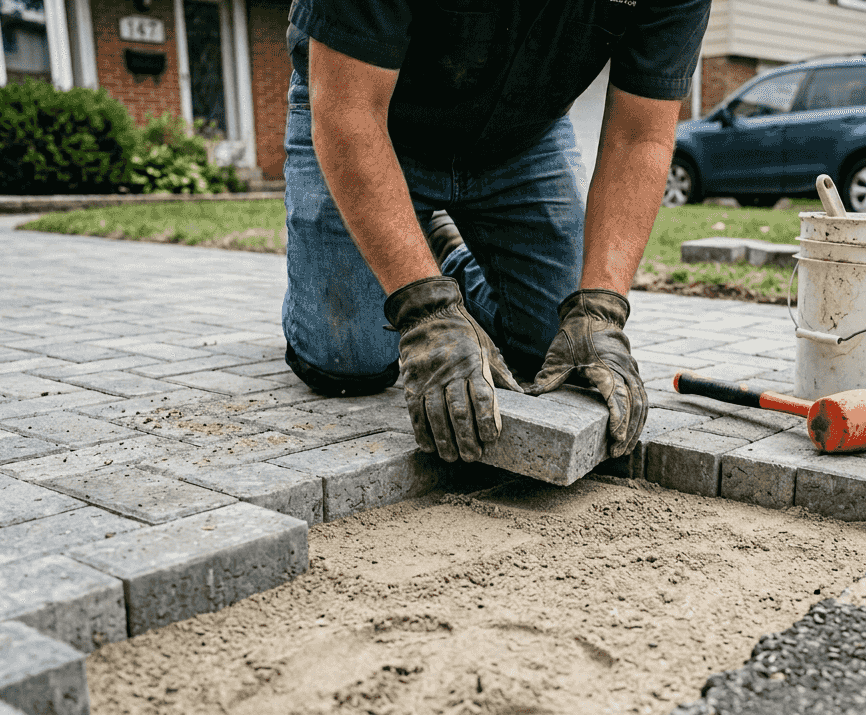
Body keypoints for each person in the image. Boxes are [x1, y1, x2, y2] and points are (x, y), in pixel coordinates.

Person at [282, 0, 710, 465]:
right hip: (371, 119)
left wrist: (601, 311)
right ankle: (409, 261)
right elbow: (349, 108)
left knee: (554, 348)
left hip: (522, 139)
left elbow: (640, 135)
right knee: (349, 361)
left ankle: (442, 254)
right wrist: (424, 309)